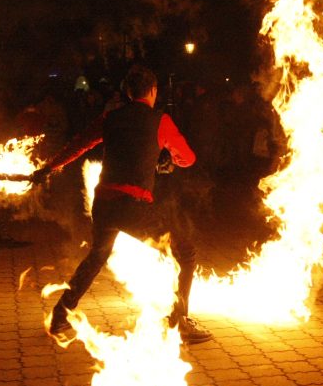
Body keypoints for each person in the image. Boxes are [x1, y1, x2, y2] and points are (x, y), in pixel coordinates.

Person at [31, 65, 213, 344]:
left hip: (104, 204)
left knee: (96, 258)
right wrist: (169, 157)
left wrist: (47, 168)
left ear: (128, 93)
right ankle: (180, 323)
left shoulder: (110, 118)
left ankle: (59, 316)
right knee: (186, 253)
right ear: (153, 91)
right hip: (134, 208)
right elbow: (187, 158)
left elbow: (77, 146)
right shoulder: (159, 120)